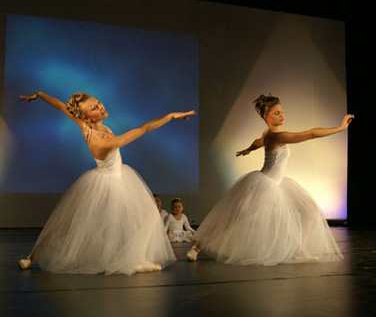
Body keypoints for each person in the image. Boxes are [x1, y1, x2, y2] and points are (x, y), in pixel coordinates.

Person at [17, 91, 195, 275]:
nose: (100, 107)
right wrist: (170, 116)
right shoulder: (101, 142)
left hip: (119, 177)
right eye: (95, 108)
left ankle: (138, 259)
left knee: (149, 216)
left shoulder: (83, 122)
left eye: (98, 102)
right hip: (108, 184)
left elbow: (60, 106)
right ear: (86, 117)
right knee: (70, 227)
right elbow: (142, 130)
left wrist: (39, 94)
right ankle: (31, 258)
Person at [187, 94, 353, 265]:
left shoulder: (268, 134)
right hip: (265, 184)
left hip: (278, 183)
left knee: (310, 210)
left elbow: (258, 141)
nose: (281, 115)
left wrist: (248, 149)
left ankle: (299, 250)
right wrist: (339, 128)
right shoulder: (277, 136)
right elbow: (310, 134)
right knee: (236, 217)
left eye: (281, 112)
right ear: (267, 117)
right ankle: (197, 247)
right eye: (276, 113)